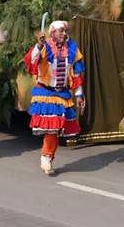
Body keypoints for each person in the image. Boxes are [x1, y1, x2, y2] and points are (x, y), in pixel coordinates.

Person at [25, 20, 86, 176]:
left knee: (58, 130)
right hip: (46, 93)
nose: (64, 34)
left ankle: (49, 157)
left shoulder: (72, 48)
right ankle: (46, 156)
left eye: (65, 31)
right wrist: (38, 45)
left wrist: (79, 95)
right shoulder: (44, 46)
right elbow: (32, 61)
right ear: (52, 33)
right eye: (60, 31)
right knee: (52, 130)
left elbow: (76, 74)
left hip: (62, 94)